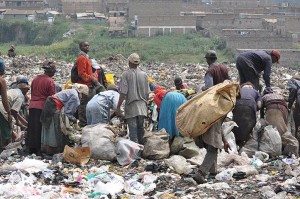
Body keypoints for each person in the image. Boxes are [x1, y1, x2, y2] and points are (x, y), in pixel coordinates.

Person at [193, 50, 231, 184]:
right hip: (223, 106)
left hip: (212, 108)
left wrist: (202, 88)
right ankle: (213, 170)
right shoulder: (224, 69)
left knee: (213, 145)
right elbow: (230, 84)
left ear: (208, 60)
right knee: (215, 136)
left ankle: (201, 172)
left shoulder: (210, 71)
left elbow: (209, 88)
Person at [40, 83, 88, 155]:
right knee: (55, 129)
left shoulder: (71, 91)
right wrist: (74, 121)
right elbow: (68, 112)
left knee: (48, 128)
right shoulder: (75, 98)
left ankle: (45, 148)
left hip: (49, 104)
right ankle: (52, 150)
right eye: (84, 95)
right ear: (82, 93)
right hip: (54, 108)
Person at [116, 53, 149, 144]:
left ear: (129, 62)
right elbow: (147, 93)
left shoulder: (125, 75)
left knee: (133, 132)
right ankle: (142, 150)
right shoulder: (144, 75)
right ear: (138, 63)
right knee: (140, 129)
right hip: (142, 106)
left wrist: (118, 107)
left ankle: (135, 154)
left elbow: (123, 93)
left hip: (131, 107)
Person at [26, 61, 56, 155]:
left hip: (32, 105)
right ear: (51, 71)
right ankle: (39, 150)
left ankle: (31, 149)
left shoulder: (35, 79)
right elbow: (51, 97)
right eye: (54, 71)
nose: (54, 73)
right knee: (40, 129)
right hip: (42, 107)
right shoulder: (50, 81)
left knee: (32, 128)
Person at [261, 87, 299, 156]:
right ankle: (285, 143)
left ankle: (276, 144)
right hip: (283, 108)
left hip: (271, 108)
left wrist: (262, 120)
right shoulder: (279, 95)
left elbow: (261, 110)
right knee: (283, 126)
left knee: (271, 128)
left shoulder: (264, 97)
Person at [76, 41, 100, 127]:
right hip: (85, 85)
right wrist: (92, 78)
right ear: (81, 47)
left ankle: (87, 121)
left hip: (88, 84)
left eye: (88, 45)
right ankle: (83, 122)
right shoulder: (82, 58)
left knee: (88, 104)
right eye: (85, 46)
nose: (87, 47)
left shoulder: (86, 57)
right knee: (84, 104)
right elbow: (81, 74)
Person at [232, 82, 262, 148]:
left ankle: (236, 141)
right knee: (249, 123)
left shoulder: (238, 90)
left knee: (236, 122)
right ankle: (246, 142)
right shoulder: (256, 92)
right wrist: (255, 110)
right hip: (251, 105)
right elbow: (259, 105)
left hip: (237, 104)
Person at [0, 82, 29, 148]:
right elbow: (14, 111)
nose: (27, 91)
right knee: (6, 132)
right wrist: (18, 122)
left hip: (2, 107)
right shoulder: (20, 95)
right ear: (23, 89)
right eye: (27, 89)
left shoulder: (12, 91)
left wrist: (26, 124)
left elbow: (16, 113)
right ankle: (4, 148)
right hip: (2, 109)